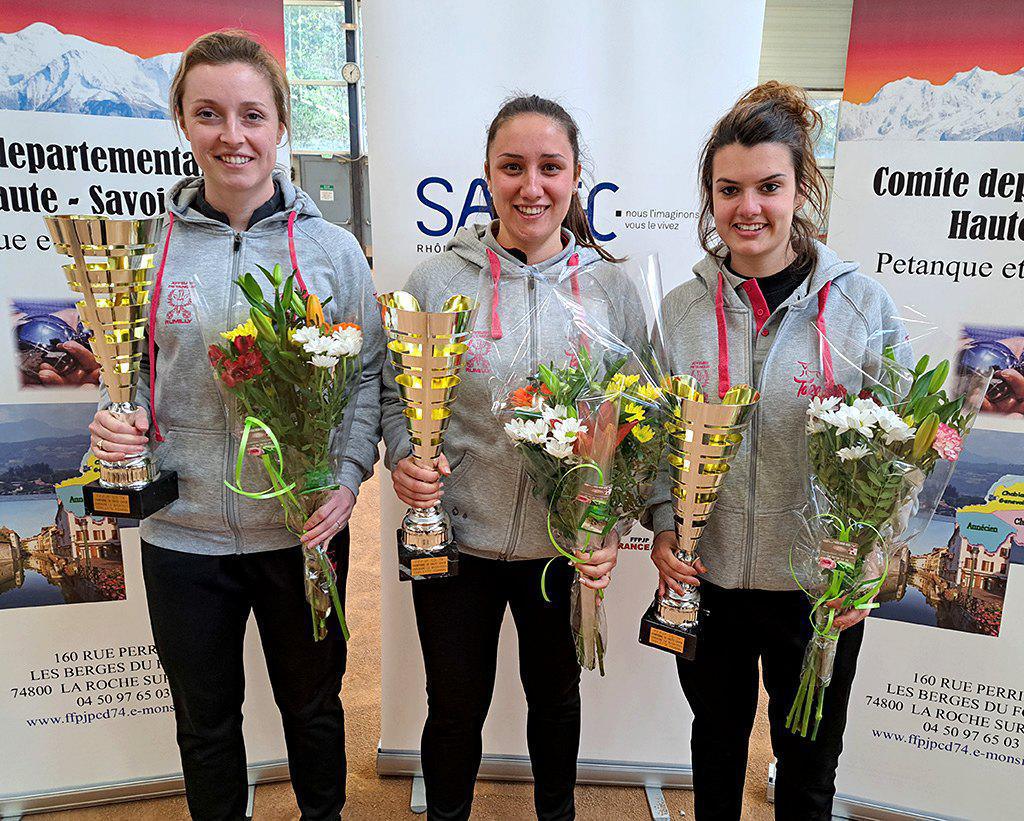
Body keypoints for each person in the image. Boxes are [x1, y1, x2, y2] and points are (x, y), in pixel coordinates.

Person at [87, 30, 382, 821]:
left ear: (281, 123)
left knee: (313, 706)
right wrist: (116, 422)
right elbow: (129, 372)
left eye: (252, 114)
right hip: (183, 535)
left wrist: (347, 478)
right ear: (183, 121)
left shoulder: (332, 251)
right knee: (205, 720)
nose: (233, 135)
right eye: (209, 113)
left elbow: (366, 376)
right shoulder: (149, 251)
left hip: (301, 527)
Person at [643, 81, 908, 821]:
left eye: (769, 186)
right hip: (711, 578)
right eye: (729, 189)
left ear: (801, 188)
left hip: (816, 589)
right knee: (715, 749)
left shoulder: (861, 306)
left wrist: (872, 557)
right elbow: (655, 438)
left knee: (810, 766)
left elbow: (904, 451)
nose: (748, 207)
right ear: (710, 196)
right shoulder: (681, 311)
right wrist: (663, 522)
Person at [381, 95, 634, 821]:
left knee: (556, 700)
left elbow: (638, 419)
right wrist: (403, 458)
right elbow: (397, 395)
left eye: (551, 167)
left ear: (576, 177)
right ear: (487, 175)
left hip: (559, 549)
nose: (532, 186)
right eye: (512, 167)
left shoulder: (611, 289)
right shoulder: (436, 282)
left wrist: (609, 519)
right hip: (456, 541)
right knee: (453, 705)